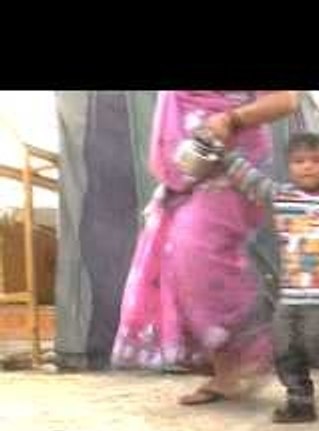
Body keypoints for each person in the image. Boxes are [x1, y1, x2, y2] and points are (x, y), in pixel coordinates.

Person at [112, 91, 299, 405]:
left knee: (195, 250)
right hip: (191, 166)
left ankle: (250, 351)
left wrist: (230, 119)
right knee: (171, 255)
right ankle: (225, 370)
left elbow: (287, 100)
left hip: (231, 166)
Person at [221, 132, 319, 422]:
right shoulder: (283, 197)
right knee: (284, 343)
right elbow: (253, 183)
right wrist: (227, 156)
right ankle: (300, 401)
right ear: (290, 166)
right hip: (291, 293)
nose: (308, 167)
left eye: (316, 160)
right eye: (299, 161)